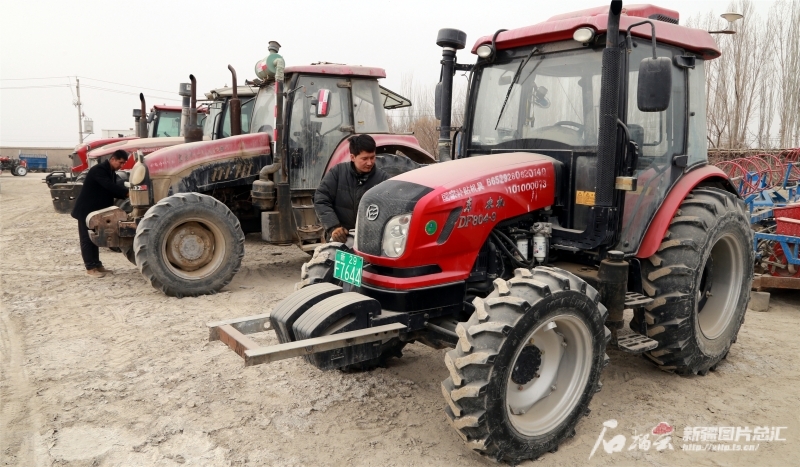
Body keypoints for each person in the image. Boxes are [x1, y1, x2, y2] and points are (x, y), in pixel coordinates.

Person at [314, 135, 388, 243]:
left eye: (372, 157)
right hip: (342, 238)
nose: (370, 163)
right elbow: (321, 199)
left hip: (370, 240)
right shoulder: (337, 173)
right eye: (364, 159)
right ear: (353, 157)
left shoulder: (383, 179)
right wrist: (334, 227)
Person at [71, 149, 130, 277]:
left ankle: (97, 265)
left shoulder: (110, 171)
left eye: (123, 163)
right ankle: (90, 268)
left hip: (95, 211)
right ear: (113, 159)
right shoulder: (99, 170)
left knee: (95, 239)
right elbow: (109, 186)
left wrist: (127, 192)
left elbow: (111, 190)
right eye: (120, 162)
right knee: (86, 239)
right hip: (86, 210)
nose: (121, 166)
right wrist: (126, 193)